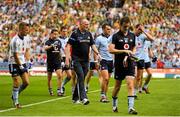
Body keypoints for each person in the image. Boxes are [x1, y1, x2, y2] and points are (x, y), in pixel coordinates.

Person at [65, 19, 101, 105]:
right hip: (76, 59)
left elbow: (92, 45)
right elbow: (68, 45)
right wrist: (67, 58)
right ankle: (84, 98)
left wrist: (98, 53)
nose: (87, 26)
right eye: (85, 24)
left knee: (82, 78)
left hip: (86, 60)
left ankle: (75, 98)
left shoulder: (89, 34)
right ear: (80, 24)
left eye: (88, 24)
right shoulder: (75, 33)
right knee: (80, 76)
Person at [108, 17, 137, 114]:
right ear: (120, 25)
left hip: (130, 64)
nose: (126, 28)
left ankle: (131, 108)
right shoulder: (115, 36)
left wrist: (132, 53)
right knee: (117, 87)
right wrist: (124, 51)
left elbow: (134, 47)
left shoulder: (132, 35)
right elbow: (111, 50)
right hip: (119, 65)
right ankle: (114, 104)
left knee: (130, 84)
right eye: (124, 26)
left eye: (128, 26)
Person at [8, 22, 31, 108]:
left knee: (26, 82)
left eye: (28, 30)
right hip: (14, 62)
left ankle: (15, 94)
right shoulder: (14, 41)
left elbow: (27, 50)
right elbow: (15, 55)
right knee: (16, 81)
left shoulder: (27, 38)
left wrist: (28, 61)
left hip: (22, 62)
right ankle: (16, 102)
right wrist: (20, 66)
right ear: (20, 30)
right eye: (26, 30)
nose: (27, 32)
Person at [95, 23, 113, 103]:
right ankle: (102, 95)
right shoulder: (99, 39)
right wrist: (96, 61)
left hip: (111, 61)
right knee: (105, 78)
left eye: (110, 29)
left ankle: (105, 96)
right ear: (103, 29)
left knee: (108, 80)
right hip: (103, 60)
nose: (109, 31)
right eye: (107, 29)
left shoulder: (112, 38)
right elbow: (96, 50)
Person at [134, 24, 154, 96]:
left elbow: (150, 47)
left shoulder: (144, 37)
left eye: (141, 29)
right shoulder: (132, 36)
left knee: (149, 74)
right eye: (139, 29)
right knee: (138, 76)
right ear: (136, 28)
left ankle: (144, 86)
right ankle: (136, 91)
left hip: (145, 59)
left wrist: (153, 57)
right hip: (135, 58)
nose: (141, 30)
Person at [44, 29, 63, 96]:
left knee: (60, 75)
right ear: (51, 34)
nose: (55, 35)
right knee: (49, 77)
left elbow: (59, 51)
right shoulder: (48, 42)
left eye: (56, 34)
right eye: (54, 34)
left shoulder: (58, 41)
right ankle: (50, 90)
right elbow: (45, 48)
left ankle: (59, 91)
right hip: (50, 61)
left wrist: (62, 60)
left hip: (57, 61)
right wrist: (52, 46)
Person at [59, 26, 75, 95]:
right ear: (61, 32)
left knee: (69, 76)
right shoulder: (58, 39)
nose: (65, 32)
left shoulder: (69, 39)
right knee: (60, 75)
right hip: (60, 58)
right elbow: (58, 50)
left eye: (66, 31)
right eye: (63, 31)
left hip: (67, 58)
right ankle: (60, 90)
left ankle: (62, 85)